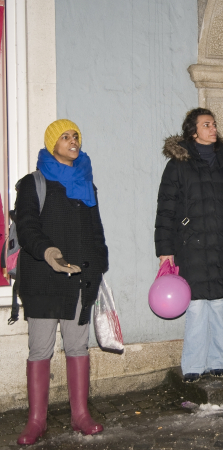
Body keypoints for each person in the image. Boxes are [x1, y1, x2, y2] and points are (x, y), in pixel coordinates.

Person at [16, 119, 109, 445]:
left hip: (79, 280)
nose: (74, 141)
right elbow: (26, 226)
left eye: (77, 137)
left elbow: (96, 232)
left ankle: (80, 415)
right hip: (42, 279)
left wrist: (99, 265)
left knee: (77, 346)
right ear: (52, 142)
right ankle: (36, 421)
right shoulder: (34, 183)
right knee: (40, 349)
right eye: (66, 136)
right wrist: (49, 252)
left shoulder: (87, 184)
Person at [155, 108, 223, 382]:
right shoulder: (178, 165)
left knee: (218, 304)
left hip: (221, 242)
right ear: (193, 131)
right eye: (206, 124)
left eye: (214, 123)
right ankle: (193, 365)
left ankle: (217, 361)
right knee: (195, 305)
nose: (213, 128)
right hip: (190, 244)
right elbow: (165, 209)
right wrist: (164, 250)